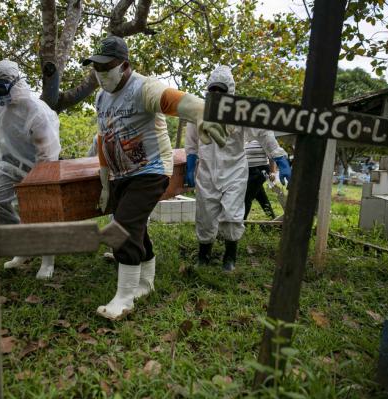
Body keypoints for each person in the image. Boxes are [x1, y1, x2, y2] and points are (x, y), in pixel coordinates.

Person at [83, 36, 229, 320]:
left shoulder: (143, 87)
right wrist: (104, 182)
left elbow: (177, 101)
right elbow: (103, 138)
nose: (100, 74)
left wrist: (202, 113)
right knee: (135, 225)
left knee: (122, 227)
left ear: (124, 65)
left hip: (150, 170)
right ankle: (145, 283)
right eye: (95, 67)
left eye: (106, 67)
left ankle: (124, 298)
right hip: (120, 174)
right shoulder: (101, 98)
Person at [185, 65, 291, 272]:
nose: (216, 94)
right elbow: (191, 142)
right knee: (205, 215)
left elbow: (264, 133)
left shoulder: (241, 111)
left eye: (221, 90)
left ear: (230, 92)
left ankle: (229, 257)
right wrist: (190, 165)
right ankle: (203, 256)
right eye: (213, 89)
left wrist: (280, 158)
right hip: (206, 172)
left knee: (232, 216)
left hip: (234, 171)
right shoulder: (199, 111)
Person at [0, 59, 61, 279]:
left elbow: (46, 151)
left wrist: (39, 181)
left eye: (2, 88)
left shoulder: (36, 111)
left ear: (15, 83)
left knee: (40, 211)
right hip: (8, 164)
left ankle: (48, 260)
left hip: (38, 167)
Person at [243, 140, 289, 220]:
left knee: (247, 197)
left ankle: (241, 222)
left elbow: (271, 156)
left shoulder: (262, 138)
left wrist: (273, 172)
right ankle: (272, 218)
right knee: (261, 197)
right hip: (249, 171)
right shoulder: (246, 141)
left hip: (260, 170)